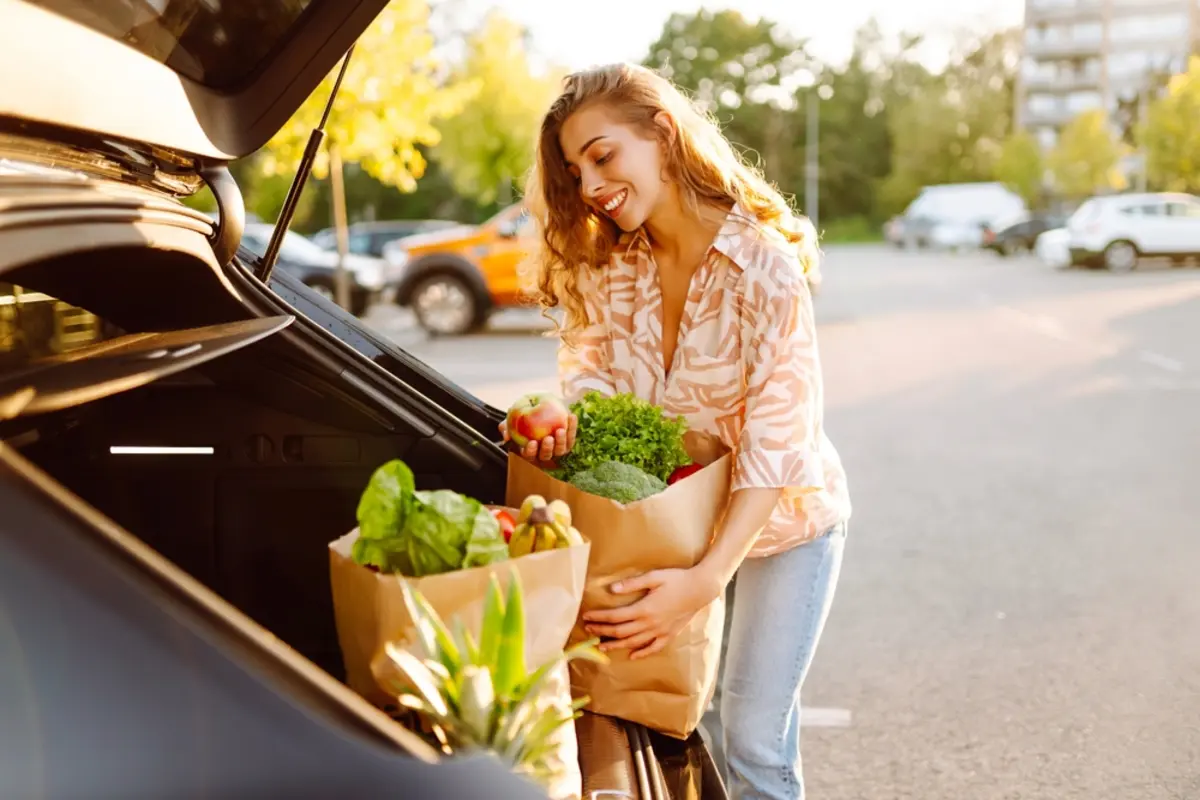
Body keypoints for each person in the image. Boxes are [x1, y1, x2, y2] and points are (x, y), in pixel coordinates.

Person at [503, 62, 852, 800]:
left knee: (750, 736)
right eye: (576, 170)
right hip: (681, 525)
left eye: (603, 155)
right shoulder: (615, 267)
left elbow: (775, 448)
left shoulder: (764, 266)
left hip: (784, 525)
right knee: (684, 725)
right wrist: (559, 428)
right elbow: (593, 388)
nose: (591, 184)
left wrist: (704, 582)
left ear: (661, 133)